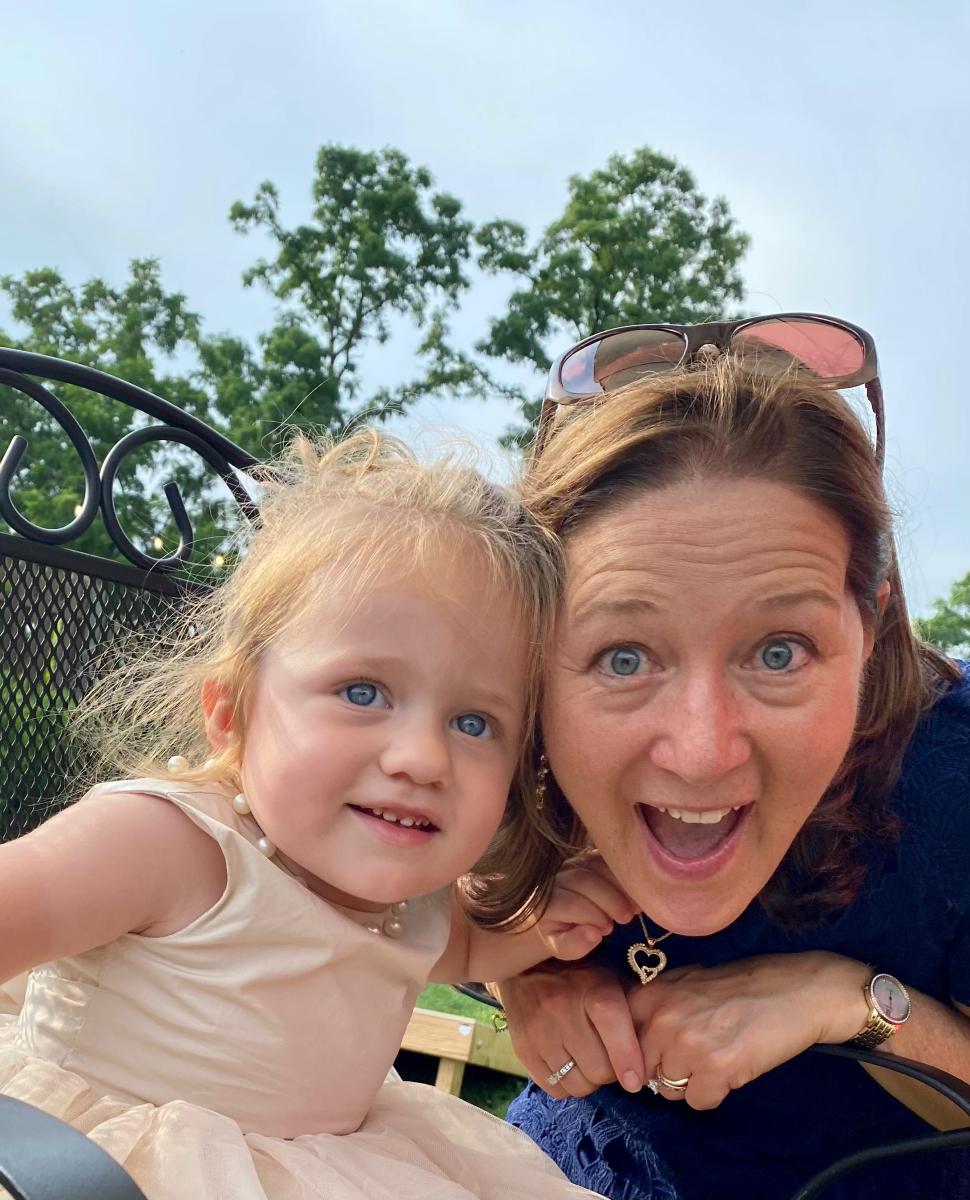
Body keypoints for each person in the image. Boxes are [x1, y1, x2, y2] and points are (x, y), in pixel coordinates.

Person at [0, 429, 632, 1200]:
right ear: (232, 713)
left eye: (475, 723)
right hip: (82, 1169)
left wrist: (541, 929)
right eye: (363, 692)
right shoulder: (171, 847)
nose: (422, 758)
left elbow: (460, 951)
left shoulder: (410, 907)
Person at [490, 315, 970, 1200]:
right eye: (624, 657)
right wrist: (515, 962)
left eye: (780, 651)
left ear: (874, 626)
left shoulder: (956, 767)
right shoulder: (484, 731)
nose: (702, 753)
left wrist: (849, 1003)